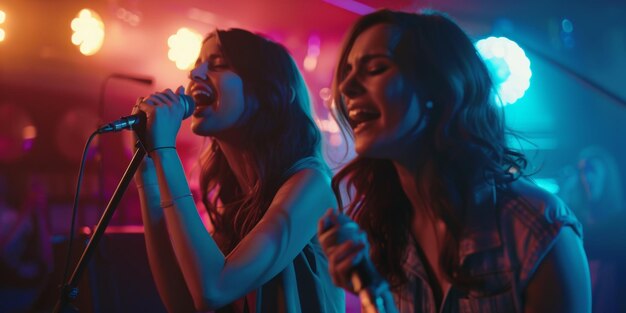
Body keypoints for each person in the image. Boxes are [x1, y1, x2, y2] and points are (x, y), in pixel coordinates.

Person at [317, 9, 591, 313]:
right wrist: (371, 291)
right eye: (349, 71)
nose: (346, 87)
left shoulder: (538, 229)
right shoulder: (385, 232)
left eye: (376, 68)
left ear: (438, 87)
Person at [132, 28, 344, 313]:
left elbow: (213, 289)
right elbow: (185, 304)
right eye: (196, 65)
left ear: (268, 93)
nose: (195, 74)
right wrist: (147, 176)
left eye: (218, 64)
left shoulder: (312, 184)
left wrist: (166, 152)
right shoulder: (235, 201)